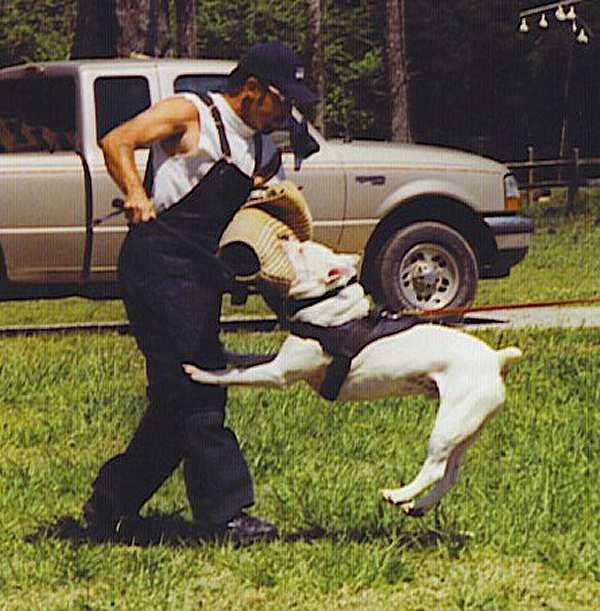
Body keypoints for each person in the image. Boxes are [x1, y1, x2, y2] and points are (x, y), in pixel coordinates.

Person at [83, 42, 318, 543]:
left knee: (176, 399)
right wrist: (137, 194)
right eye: (282, 101)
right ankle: (226, 514)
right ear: (252, 88)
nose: (285, 114)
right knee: (199, 385)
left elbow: (260, 216)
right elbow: (116, 141)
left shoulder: (260, 148)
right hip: (157, 263)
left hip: (201, 274)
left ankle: (111, 502)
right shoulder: (190, 113)